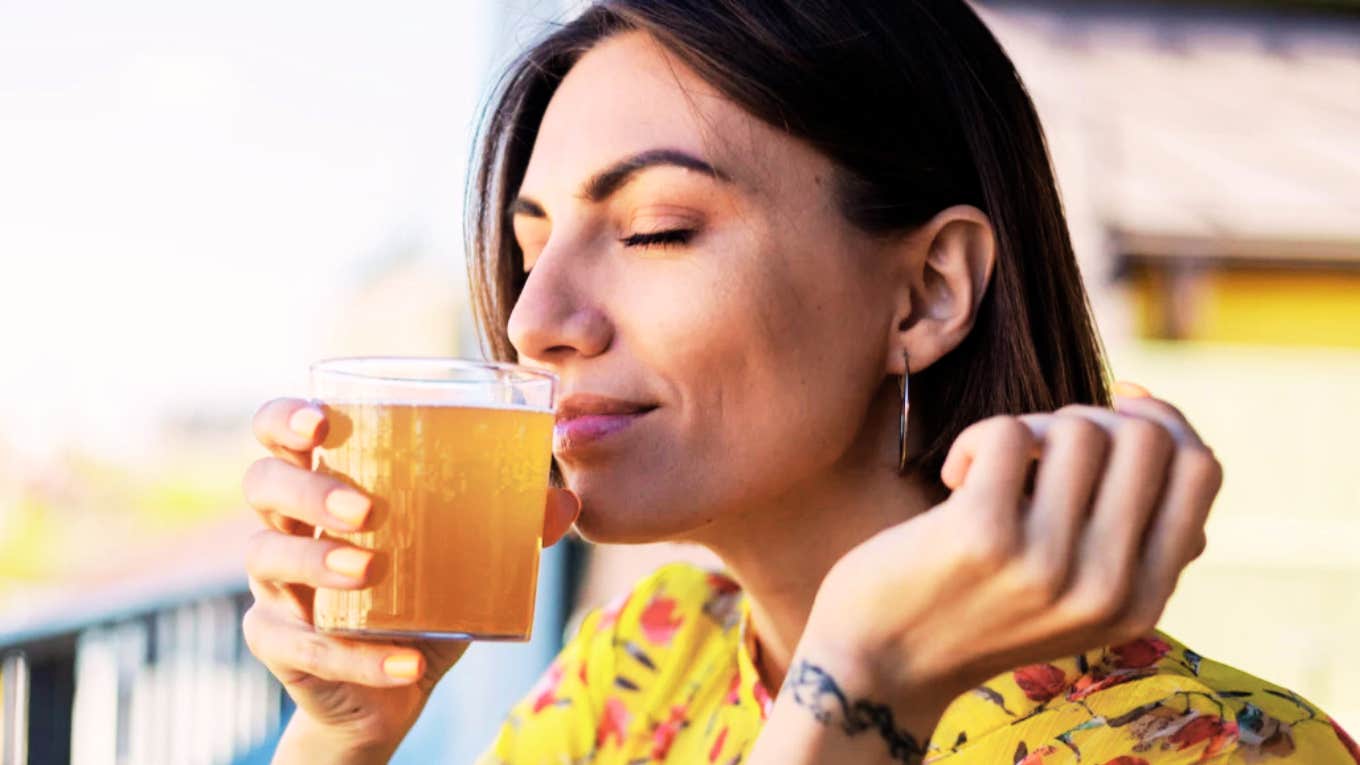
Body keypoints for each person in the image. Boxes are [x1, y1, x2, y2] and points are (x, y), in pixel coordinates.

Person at [240, 2, 1359, 763]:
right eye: (532, 248)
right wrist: (342, 734)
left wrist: (860, 686)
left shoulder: (1192, 749)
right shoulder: (649, 664)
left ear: (925, 293)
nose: (536, 323)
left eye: (657, 230)